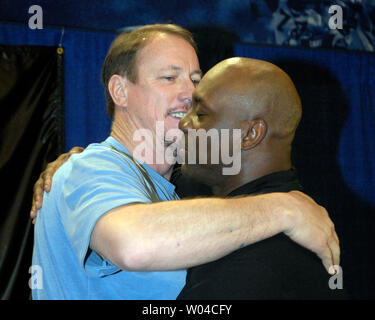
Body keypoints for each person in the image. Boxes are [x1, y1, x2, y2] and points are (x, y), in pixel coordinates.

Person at [30, 24, 339, 300]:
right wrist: (285, 210)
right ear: (120, 91)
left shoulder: (183, 189)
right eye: (169, 77)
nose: (191, 93)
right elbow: (133, 245)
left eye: (195, 79)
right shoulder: (90, 169)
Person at [176, 57, 346, 299]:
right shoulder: (302, 228)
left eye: (201, 114)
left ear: (250, 134)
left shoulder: (251, 258)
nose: (184, 123)